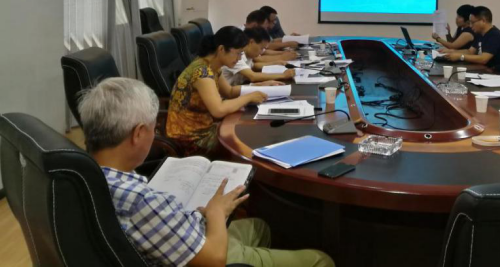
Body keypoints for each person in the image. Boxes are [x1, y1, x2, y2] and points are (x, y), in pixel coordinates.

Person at [78, 77, 335, 266]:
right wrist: (215, 212)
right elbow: (214, 260)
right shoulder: (141, 202)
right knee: (321, 260)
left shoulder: (80, 176)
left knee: (259, 227)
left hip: (182, 233)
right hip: (205, 255)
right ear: (138, 134)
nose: (155, 134)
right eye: (153, 129)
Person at [166, 26, 277, 157]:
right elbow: (218, 110)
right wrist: (248, 97)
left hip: (205, 128)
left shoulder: (212, 66)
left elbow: (229, 92)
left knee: (249, 130)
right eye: (238, 53)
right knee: (247, 141)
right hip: (190, 138)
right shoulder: (202, 72)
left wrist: (259, 86)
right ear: (221, 49)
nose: (239, 58)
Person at [442, 6, 500, 72]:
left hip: (496, 73)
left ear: (483, 21)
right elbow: (470, 51)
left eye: (472, 22)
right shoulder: (480, 33)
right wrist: (452, 52)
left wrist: (461, 56)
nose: (470, 26)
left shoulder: (494, 35)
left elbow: (483, 59)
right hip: (482, 69)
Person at [223, 26, 295, 85]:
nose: (261, 52)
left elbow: (254, 66)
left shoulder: (248, 55)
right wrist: (283, 75)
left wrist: (276, 62)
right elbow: (253, 76)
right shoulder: (236, 56)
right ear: (251, 42)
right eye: (261, 48)